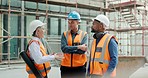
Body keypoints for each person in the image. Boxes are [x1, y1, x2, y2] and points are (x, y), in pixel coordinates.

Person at [60, 11, 88, 78]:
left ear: (78, 22)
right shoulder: (64, 34)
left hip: (79, 68)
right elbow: (64, 49)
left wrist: (69, 48)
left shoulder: (84, 35)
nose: (70, 24)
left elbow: (82, 51)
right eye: (69, 22)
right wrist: (78, 47)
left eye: (72, 22)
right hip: (65, 67)